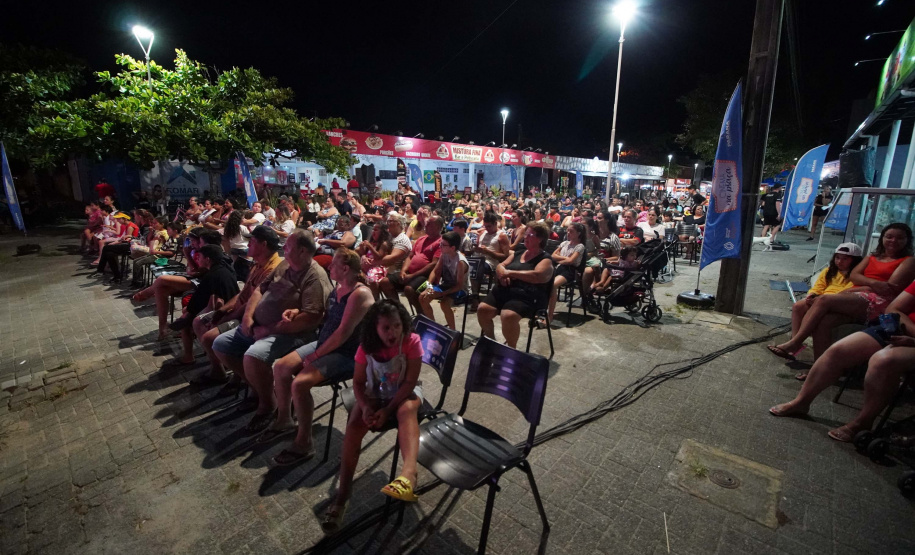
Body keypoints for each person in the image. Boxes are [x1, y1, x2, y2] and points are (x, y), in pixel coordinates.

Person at [212, 230, 333, 433]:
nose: (283, 248)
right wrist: (248, 317)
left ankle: (267, 404)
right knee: (221, 345)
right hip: (258, 325)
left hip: (292, 334)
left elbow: (311, 318)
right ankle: (263, 390)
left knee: (253, 356)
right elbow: (260, 289)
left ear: (302, 251)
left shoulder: (315, 277)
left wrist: (268, 329)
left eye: (288, 246)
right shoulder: (285, 264)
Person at [322, 300, 425, 533]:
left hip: (404, 391)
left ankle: (409, 475)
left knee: (406, 409)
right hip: (375, 391)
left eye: (397, 326)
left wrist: (387, 410)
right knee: (355, 423)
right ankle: (343, 494)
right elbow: (358, 382)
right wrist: (367, 407)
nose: (393, 332)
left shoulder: (411, 342)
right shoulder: (366, 347)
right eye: (386, 328)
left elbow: (409, 382)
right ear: (375, 329)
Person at [264, 249, 375, 464]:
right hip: (326, 344)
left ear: (345, 268)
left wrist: (315, 354)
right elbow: (328, 315)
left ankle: (304, 442)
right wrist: (298, 311)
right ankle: (285, 419)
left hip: (347, 353)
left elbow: (343, 334)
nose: (329, 267)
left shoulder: (360, 293)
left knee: (300, 384)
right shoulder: (338, 288)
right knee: (281, 367)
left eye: (333, 264)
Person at [769, 280, 915, 442]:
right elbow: (895, 308)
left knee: (883, 360)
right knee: (838, 351)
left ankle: (863, 422)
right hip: (901, 328)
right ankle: (801, 402)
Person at [769, 224, 915, 361]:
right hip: (857, 295)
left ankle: (796, 342)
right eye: (889, 236)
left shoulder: (908, 261)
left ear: (907, 241)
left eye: (899, 238)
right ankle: (819, 367)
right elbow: (855, 276)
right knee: (823, 322)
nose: (893, 240)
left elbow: (888, 288)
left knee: (824, 300)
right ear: (882, 237)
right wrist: (872, 283)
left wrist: (865, 284)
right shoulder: (872, 257)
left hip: (879, 303)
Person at [190, 226, 283, 387]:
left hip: (254, 318)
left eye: (252, 242)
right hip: (241, 311)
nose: (247, 246)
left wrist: (228, 315)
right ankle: (222, 371)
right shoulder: (258, 263)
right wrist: (223, 310)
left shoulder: (274, 268)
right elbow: (243, 293)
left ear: (264, 244)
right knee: (199, 322)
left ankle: (253, 385)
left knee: (209, 337)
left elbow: (254, 302)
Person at [786, 243, 864, 379]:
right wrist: (812, 295)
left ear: (855, 260)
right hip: (821, 299)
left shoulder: (857, 275)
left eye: (845, 259)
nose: (840, 261)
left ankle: (813, 359)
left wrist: (821, 299)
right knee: (799, 306)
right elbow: (818, 286)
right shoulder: (829, 271)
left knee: (822, 319)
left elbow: (847, 293)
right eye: (837, 258)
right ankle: (795, 341)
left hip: (835, 303)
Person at [477, 223, 554, 348]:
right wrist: (501, 272)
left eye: (529, 235)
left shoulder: (545, 259)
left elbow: (537, 275)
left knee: (508, 315)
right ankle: (492, 342)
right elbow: (501, 265)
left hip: (526, 296)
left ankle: (511, 350)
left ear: (540, 239)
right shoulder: (518, 253)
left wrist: (510, 273)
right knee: (482, 309)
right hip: (505, 291)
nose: (525, 238)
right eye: (525, 235)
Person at [164, 244, 240, 367]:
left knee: (186, 320)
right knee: (187, 313)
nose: (197, 259)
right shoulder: (226, 269)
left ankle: (188, 357)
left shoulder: (212, 276)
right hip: (228, 307)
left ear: (208, 259)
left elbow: (195, 304)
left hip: (226, 313)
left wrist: (187, 313)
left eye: (200, 257)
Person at [379, 216, 443, 314]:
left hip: (428, 278)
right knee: (385, 282)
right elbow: (409, 257)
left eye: (429, 224)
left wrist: (412, 276)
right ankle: (399, 312)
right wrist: (403, 271)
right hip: (410, 273)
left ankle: (422, 314)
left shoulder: (440, 242)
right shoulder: (421, 239)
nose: (425, 226)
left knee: (409, 289)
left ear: (438, 227)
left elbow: (434, 264)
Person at [419, 231, 469, 330]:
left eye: (443, 244)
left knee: (444, 304)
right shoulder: (444, 254)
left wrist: (443, 293)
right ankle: (433, 327)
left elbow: (459, 285)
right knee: (422, 297)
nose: (440, 246)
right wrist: (429, 286)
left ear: (453, 248)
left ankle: (453, 331)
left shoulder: (460, 262)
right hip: (446, 285)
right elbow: (435, 271)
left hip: (460, 289)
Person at [548, 222, 586, 323]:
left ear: (578, 233)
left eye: (571, 231)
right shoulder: (564, 243)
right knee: (543, 281)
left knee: (553, 285)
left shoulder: (580, 246)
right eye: (567, 231)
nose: (568, 233)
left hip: (571, 271)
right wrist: (565, 259)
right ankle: (542, 310)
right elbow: (553, 255)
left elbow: (570, 262)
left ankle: (549, 315)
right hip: (560, 267)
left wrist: (560, 259)